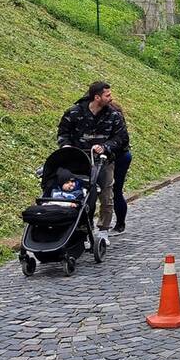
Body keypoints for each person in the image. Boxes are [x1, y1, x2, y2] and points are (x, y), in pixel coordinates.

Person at [56, 81, 129, 242]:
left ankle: (103, 229)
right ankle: (83, 228)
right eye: (107, 95)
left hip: (103, 160)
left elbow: (122, 138)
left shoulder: (113, 115)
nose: (111, 98)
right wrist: (66, 145)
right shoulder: (74, 113)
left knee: (106, 194)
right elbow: (63, 132)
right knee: (82, 194)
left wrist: (106, 147)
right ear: (96, 97)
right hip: (79, 160)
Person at [109, 101, 132, 235]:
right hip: (99, 156)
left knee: (116, 190)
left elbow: (122, 139)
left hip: (119, 156)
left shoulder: (113, 113)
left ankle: (120, 224)